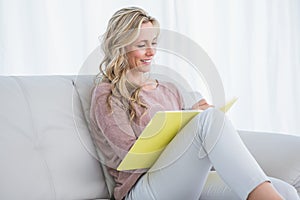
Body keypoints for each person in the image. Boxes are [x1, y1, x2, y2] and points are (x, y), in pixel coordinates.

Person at [89, 6, 299, 200]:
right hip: (140, 189)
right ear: (121, 47)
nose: (151, 52)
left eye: (153, 43)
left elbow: (188, 145)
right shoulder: (107, 95)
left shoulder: (167, 88)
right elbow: (131, 157)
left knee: (286, 191)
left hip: (180, 179)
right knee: (208, 121)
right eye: (142, 45)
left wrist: (193, 115)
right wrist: (191, 124)